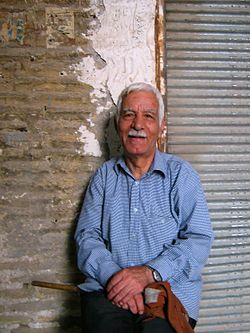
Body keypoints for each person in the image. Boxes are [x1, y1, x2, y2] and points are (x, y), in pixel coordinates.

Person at [75, 82, 213, 333]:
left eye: (148, 116)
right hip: (109, 291)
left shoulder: (181, 175)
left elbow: (198, 239)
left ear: (161, 126)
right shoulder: (104, 177)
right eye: (129, 115)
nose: (137, 124)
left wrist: (150, 274)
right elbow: (87, 238)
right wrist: (117, 280)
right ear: (119, 124)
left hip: (169, 293)